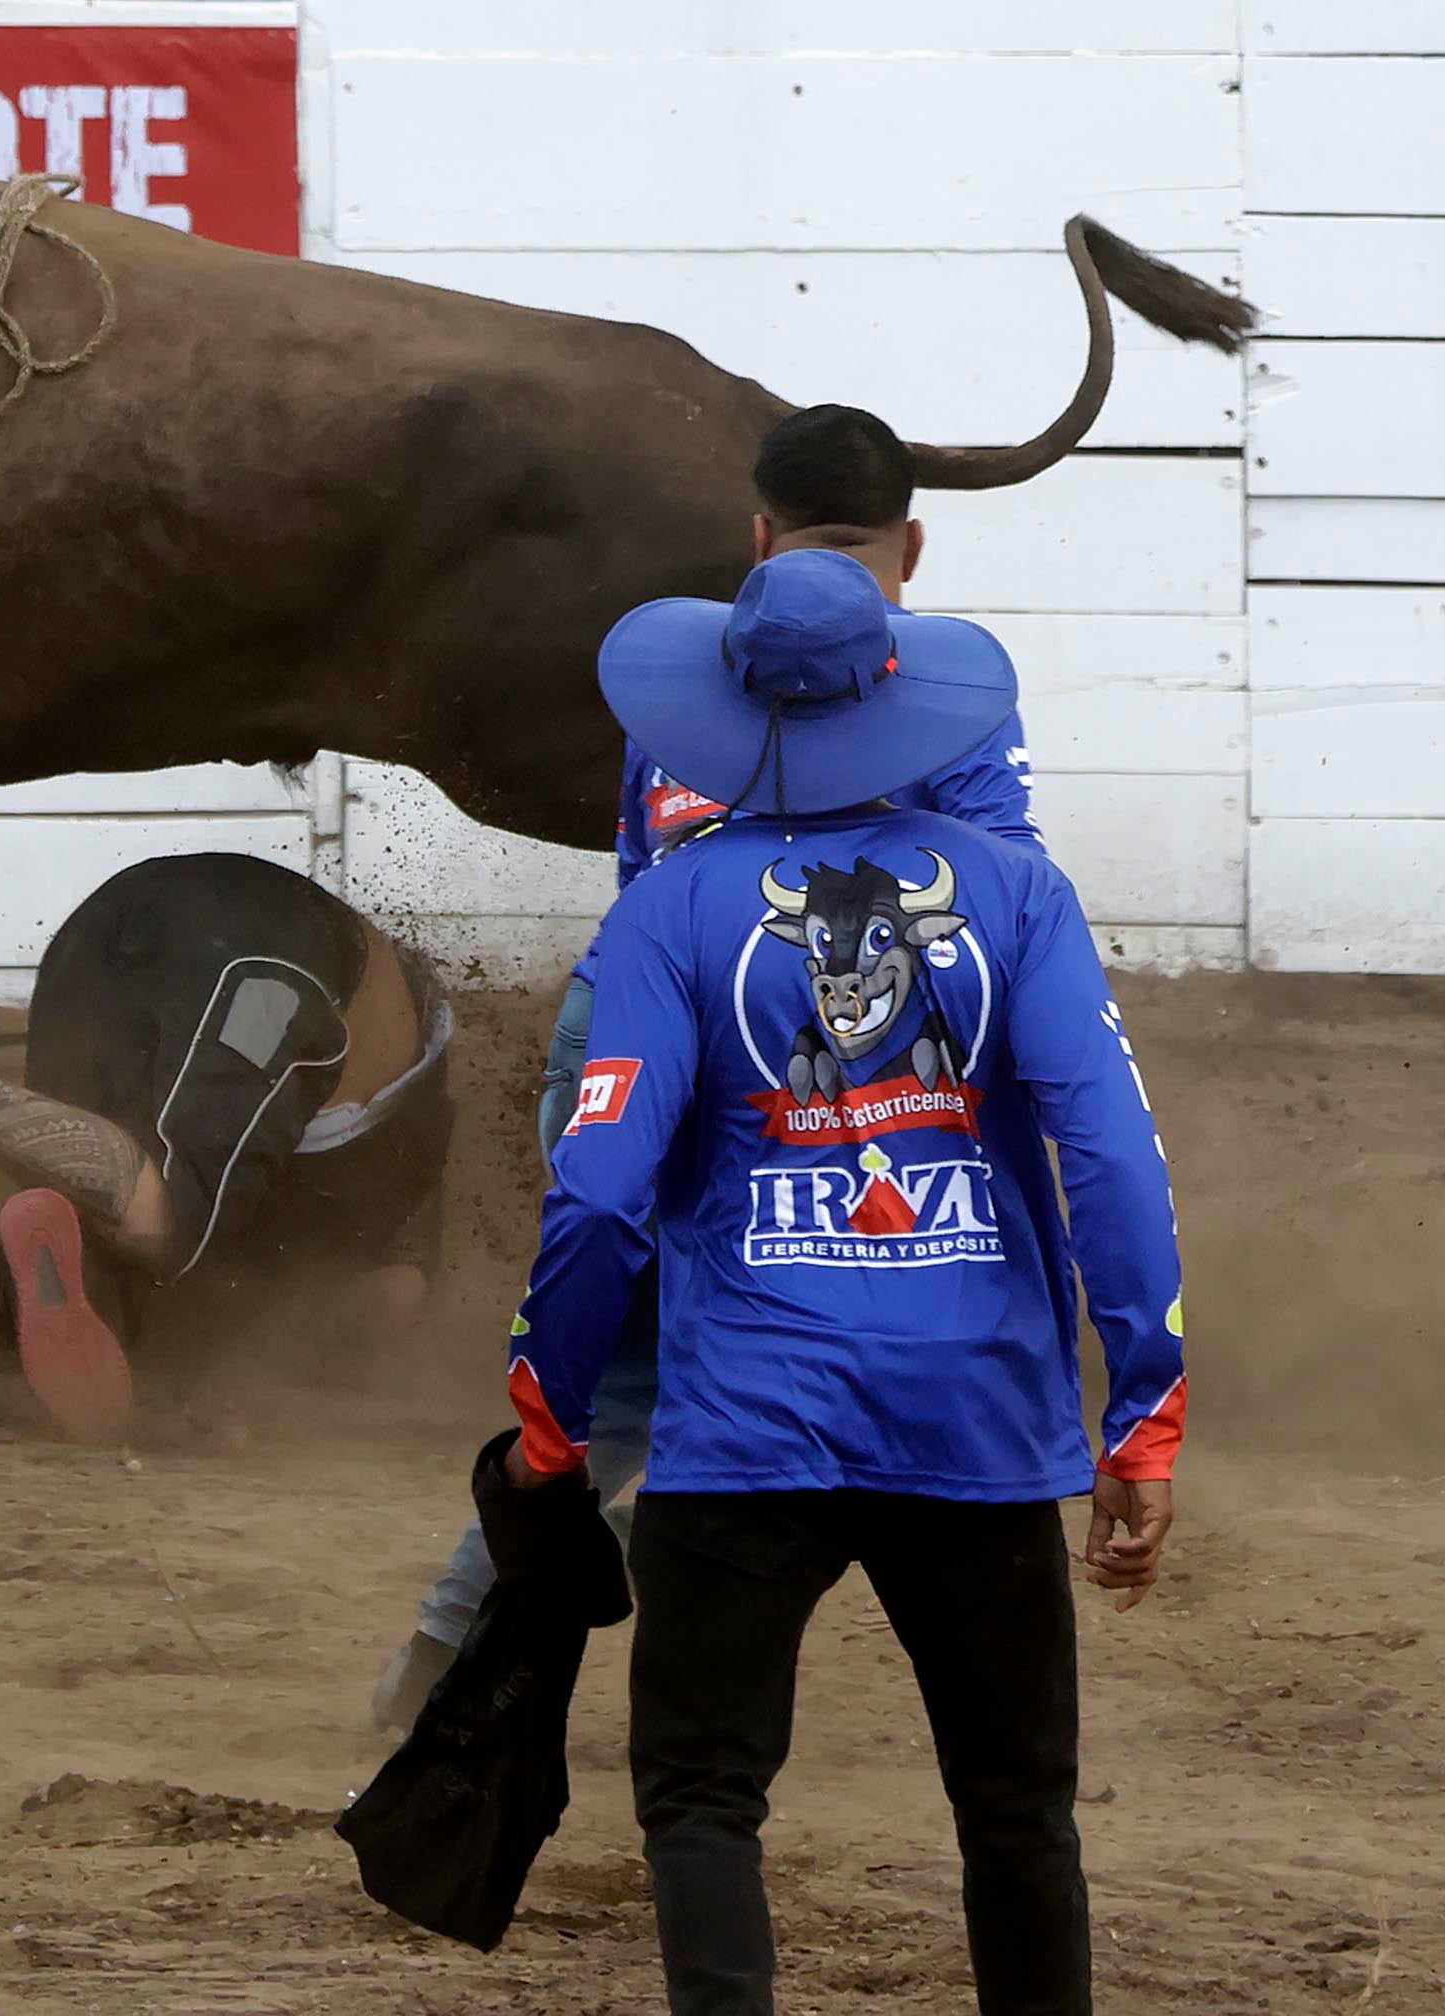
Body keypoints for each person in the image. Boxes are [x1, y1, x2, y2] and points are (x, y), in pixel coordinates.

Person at [496, 547, 1185, 2016]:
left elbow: (600, 1191)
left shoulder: (669, 909)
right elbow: (1115, 1160)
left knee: (701, 1797)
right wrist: (1143, 1418)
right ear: (897, 695)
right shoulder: (1019, 892)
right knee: (1018, 1811)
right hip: (981, 1421)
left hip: (745, 1429)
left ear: (727, 708)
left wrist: (549, 1421)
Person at [370, 402, 1042, 1729]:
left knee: (630, 1383)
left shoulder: (680, 689)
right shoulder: (952, 703)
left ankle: (445, 1669)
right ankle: (662, 1640)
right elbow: (1000, 909)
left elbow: (646, 884)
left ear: (758, 538)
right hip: (807, 1067)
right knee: (815, 1384)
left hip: (624, 1039)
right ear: (912, 544)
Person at [0, 853, 453, 1443]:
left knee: (91, 1180)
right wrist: (306, 1382)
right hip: (272, 960)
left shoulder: (353, 1162)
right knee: (173, 1221)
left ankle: (29, 1313)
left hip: (110, 923)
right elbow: (393, 1298)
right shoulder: (387, 1187)